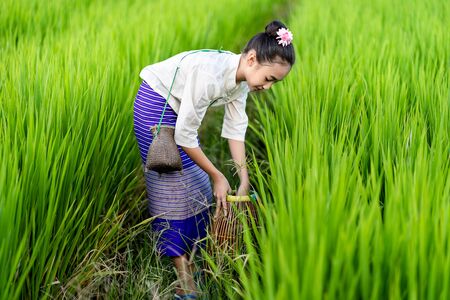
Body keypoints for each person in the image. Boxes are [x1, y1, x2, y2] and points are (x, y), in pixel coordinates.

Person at [133, 19, 295, 299]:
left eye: (275, 83)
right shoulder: (210, 75)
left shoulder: (241, 80)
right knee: (173, 191)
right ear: (253, 59)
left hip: (178, 112)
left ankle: (191, 260)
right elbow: (185, 136)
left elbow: (235, 129)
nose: (268, 88)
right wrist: (218, 175)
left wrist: (243, 177)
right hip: (156, 107)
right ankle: (185, 283)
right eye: (269, 79)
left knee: (197, 188)